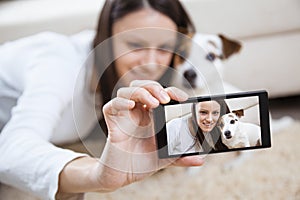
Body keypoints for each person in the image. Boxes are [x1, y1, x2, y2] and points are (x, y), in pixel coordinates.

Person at [0, 0, 205, 199]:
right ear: (107, 37)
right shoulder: (58, 64)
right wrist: (98, 173)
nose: (151, 64)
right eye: (136, 45)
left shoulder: (134, 84)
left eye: (164, 48)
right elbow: (11, 151)